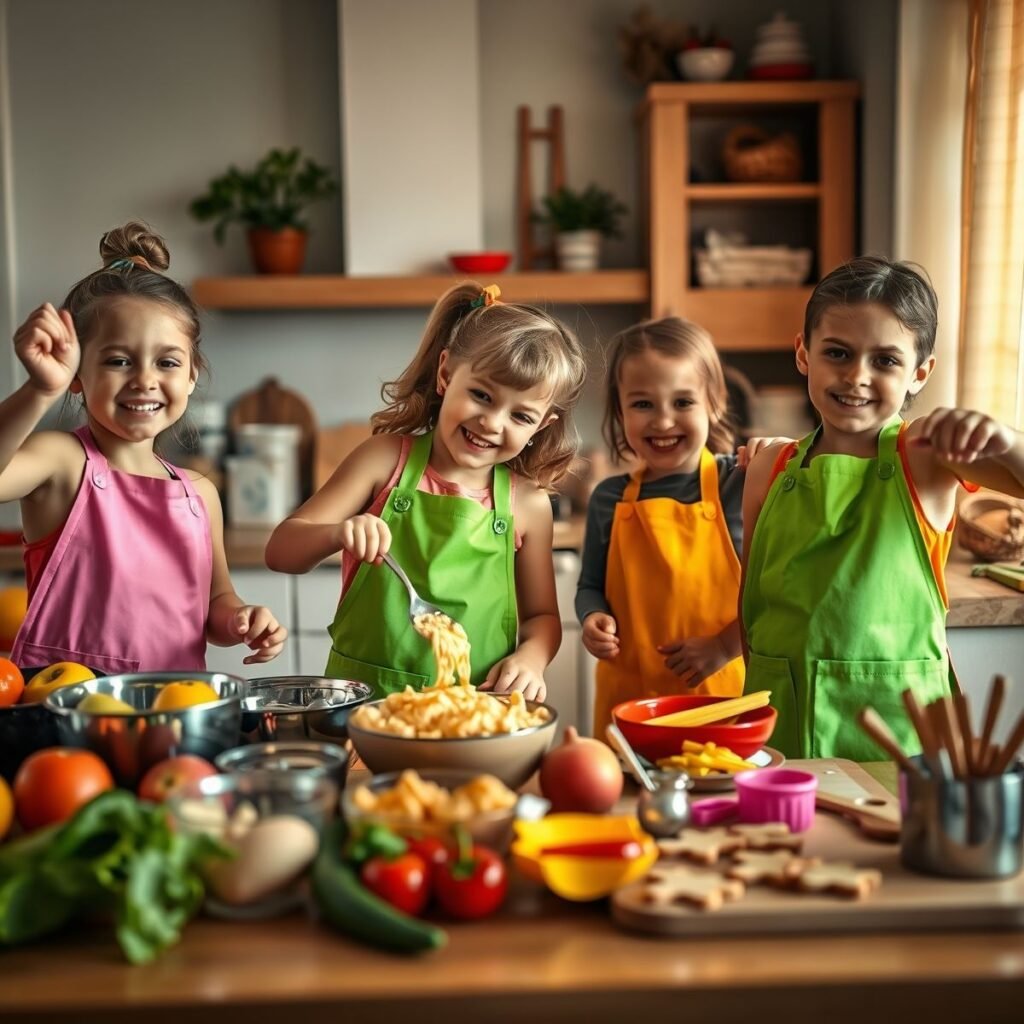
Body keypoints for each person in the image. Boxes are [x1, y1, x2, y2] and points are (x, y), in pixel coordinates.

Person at [741, 256, 1024, 760]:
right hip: (781, 718)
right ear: (803, 353)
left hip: (900, 734)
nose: (857, 376)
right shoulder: (769, 467)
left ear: (920, 373)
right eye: (838, 353)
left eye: (886, 361)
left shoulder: (926, 454)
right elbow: (750, 606)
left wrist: (1005, 441)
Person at [266, 282, 587, 701]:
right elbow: (281, 552)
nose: (492, 423)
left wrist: (531, 658)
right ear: (445, 374)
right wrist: (337, 533)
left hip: (475, 706)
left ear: (541, 426)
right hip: (363, 703)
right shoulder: (382, 461)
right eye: (481, 395)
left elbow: (542, 617)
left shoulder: (528, 505)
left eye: (521, 416)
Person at [0, 222, 287, 674]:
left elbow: (215, 602)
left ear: (191, 376)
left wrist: (240, 619)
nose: (145, 379)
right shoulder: (62, 462)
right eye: (119, 361)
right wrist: (40, 390)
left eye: (167, 362)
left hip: (175, 704)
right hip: (59, 702)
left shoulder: (200, 494)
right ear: (76, 375)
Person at [577, 316, 756, 736]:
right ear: (619, 411)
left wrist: (723, 647)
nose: (662, 421)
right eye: (643, 404)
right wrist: (592, 617)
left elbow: (774, 594)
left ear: (714, 402)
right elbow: (589, 586)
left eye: (682, 402)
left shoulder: (741, 484)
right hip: (629, 709)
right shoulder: (608, 499)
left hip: (721, 706)